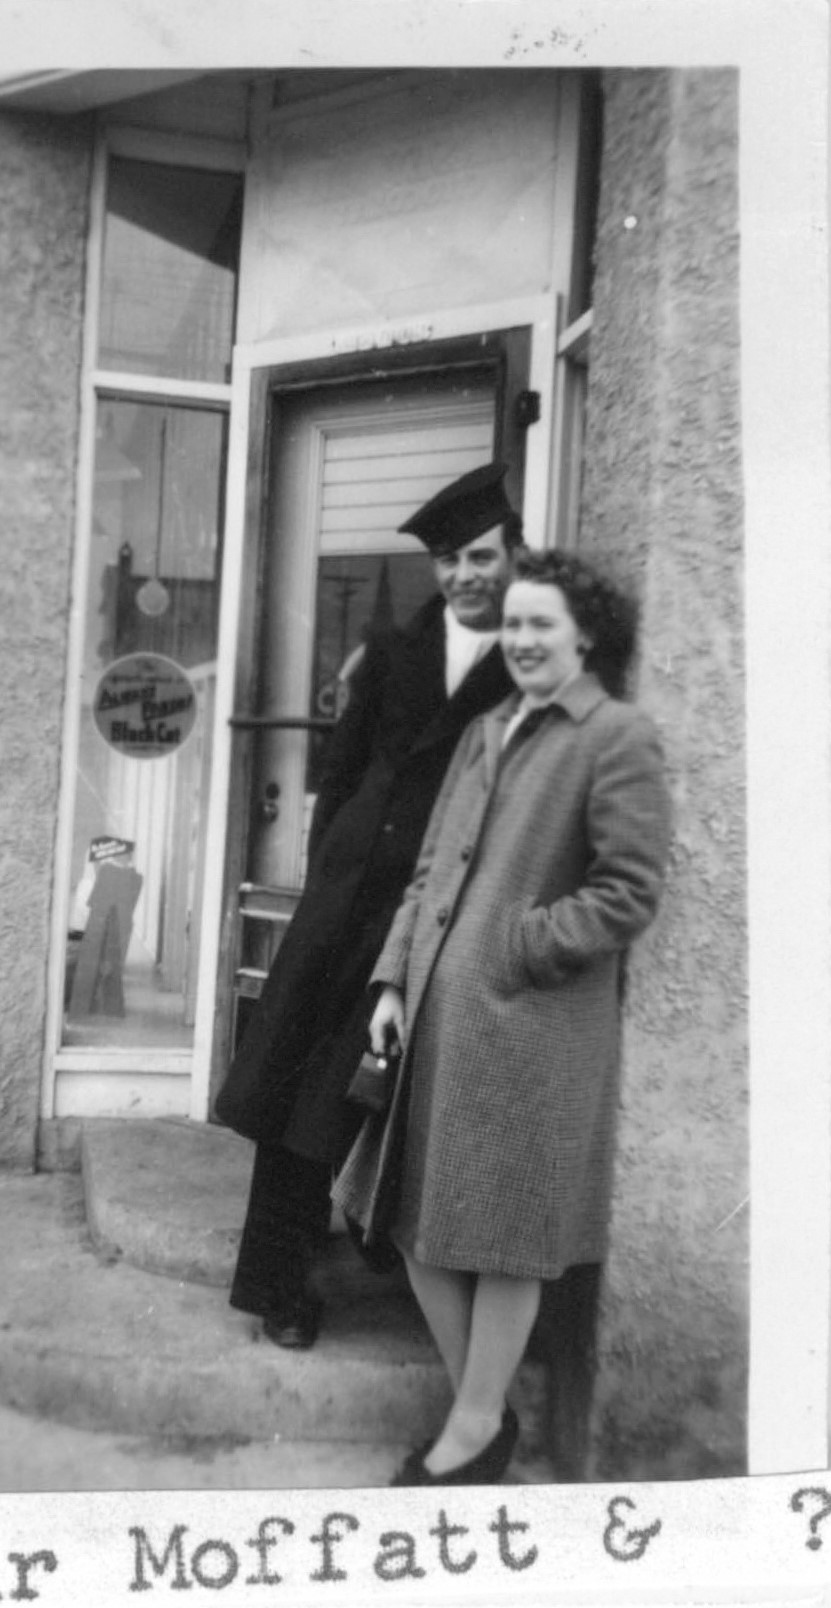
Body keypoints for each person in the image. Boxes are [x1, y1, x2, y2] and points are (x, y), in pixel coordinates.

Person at [333, 547, 672, 1485]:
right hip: (439, 1019)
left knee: (505, 1240)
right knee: (410, 1221)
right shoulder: (487, 728)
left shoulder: (614, 737)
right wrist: (393, 984)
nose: (519, 639)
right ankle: (484, 1416)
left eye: (539, 624)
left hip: (531, 1028)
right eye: (511, 623)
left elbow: (627, 892)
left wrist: (517, 947)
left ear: (584, 636)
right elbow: (428, 870)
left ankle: (476, 1427)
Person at [215, 461, 522, 1348]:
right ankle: (275, 1287)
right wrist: (326, 882)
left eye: (479, 555)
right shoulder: (395, 648)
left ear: (513, 552)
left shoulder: (531, 654)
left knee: (381, 1085)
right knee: (298, 1088)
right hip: (350, 895)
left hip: (438, 905)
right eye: (447, 561)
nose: (463, 575)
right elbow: (342, 769)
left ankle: (382, 1245)